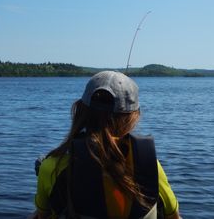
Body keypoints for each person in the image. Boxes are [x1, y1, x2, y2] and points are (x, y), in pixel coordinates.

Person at [33, 71, 180, 219]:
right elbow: (173, 216)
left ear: (80, 109)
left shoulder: (52, 167)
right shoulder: (150, 165)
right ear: (132, 117)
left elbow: (42, 214)